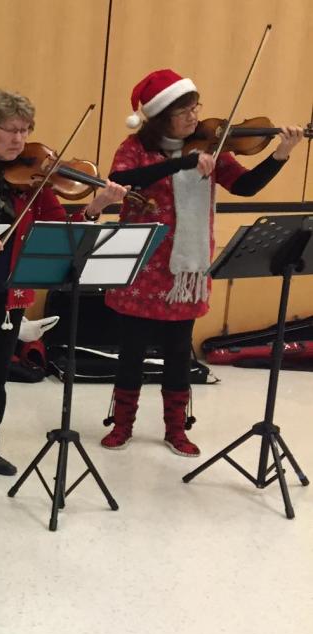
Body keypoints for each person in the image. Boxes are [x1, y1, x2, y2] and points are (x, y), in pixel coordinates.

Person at [0, 89, 126, 482]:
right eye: (11, 129)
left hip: (10, 294)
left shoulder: (35, 180)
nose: (19, 138)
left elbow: (62, 231)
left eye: (26, 129)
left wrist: (94, 208)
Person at [100, 69, 303, 456]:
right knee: (132, 350)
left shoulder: (211, 149)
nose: (194, 118)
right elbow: (124, 179)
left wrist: (280, 154)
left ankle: (176, 428)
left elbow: (245, 187)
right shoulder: (136, 148)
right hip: (142, 268)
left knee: (178, 352)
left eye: (196, 108)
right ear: (162, 116)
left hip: (186, 272)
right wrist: (180, 164)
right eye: (184, 111)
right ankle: (121, 425)